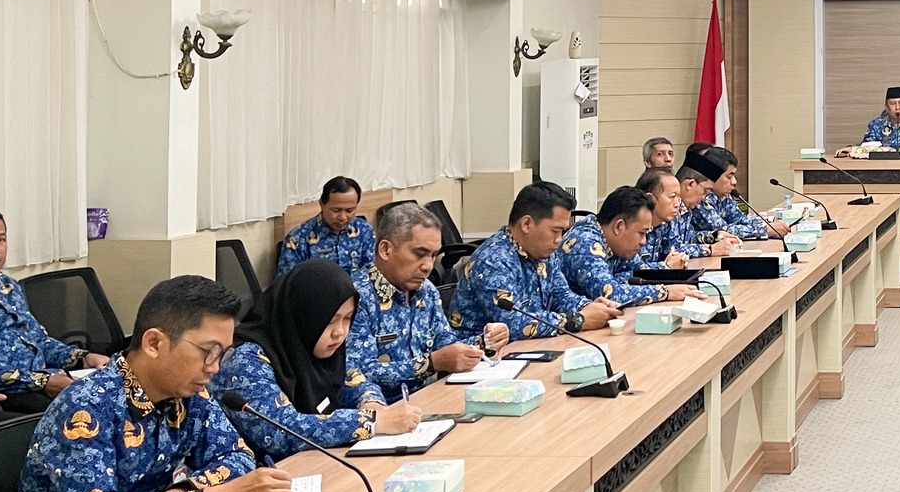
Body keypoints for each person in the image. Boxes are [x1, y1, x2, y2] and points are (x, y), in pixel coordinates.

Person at [11, 275, 290, 492]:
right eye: (208, 352)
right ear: (154, 343)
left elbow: (237, 456)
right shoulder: (86, 408)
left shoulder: (190, 394)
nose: (214, 368)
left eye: (223, 354)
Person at [211, 260, 419, 457]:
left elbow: (354, 379)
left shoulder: (317, 344)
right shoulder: (245, 362)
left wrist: (372, 404)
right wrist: (370, 422)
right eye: (330, 321)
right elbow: (282, 431)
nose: (340, 332)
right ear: (303, 316)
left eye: (348, 319)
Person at [0, 206, 108, 416]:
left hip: (43, 381)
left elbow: (39, 341)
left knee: (112, 397)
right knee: (85, 417)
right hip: (6, 394)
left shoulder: (7, 286)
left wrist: (80, 358)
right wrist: (42, 382)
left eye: (1, 239)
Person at [348, 203, 507, 401]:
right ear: (386, 249)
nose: (428, 266)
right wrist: (431, 364)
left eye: (433, 255)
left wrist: (484, 341)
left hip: (431, 399)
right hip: (384, 412)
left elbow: (446, 344)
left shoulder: (426, 290)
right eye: (420, 254)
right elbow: (358, 374)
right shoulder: (356, 297)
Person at [450, 184, 617, 340]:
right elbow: (513, 324)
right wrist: (577, 320)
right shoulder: (492, 261)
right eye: (555, 231)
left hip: (527, 349)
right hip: (481, 361)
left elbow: (561, 297)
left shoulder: (543, 252)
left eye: (563, 232)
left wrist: (594, 308)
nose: (559, 240)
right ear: (527, 224)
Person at [559, 184, 695, 307]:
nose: (644, 241)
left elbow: (639, 270)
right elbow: (611, 294)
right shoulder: (585, 243)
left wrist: (666, 267)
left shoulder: (616, 242)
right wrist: (665, 292)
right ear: (619, 226)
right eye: (641, 233)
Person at [277, 176, 376, 276]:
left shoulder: (364, 230)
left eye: (349, 210)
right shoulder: (298, 239)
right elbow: (286, 284)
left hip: (358, 290)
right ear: (322, 204)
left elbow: (373, 272)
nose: (342, 217)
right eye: (336, 210)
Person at [693, 149, 790, 241]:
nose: (734, 182)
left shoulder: (723, 195)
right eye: (729, 177)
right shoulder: (699, 198)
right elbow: (722, 231)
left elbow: (740, 219)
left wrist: (770, 225)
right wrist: (764, 230)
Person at [661, 149, 743, 258]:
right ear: (690, 184)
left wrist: (714, 236)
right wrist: (710, 249)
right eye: (705, 190)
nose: (705, 197)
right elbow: (672, 249)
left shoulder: (686, 208)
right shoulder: (667, 209)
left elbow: (689, 238)